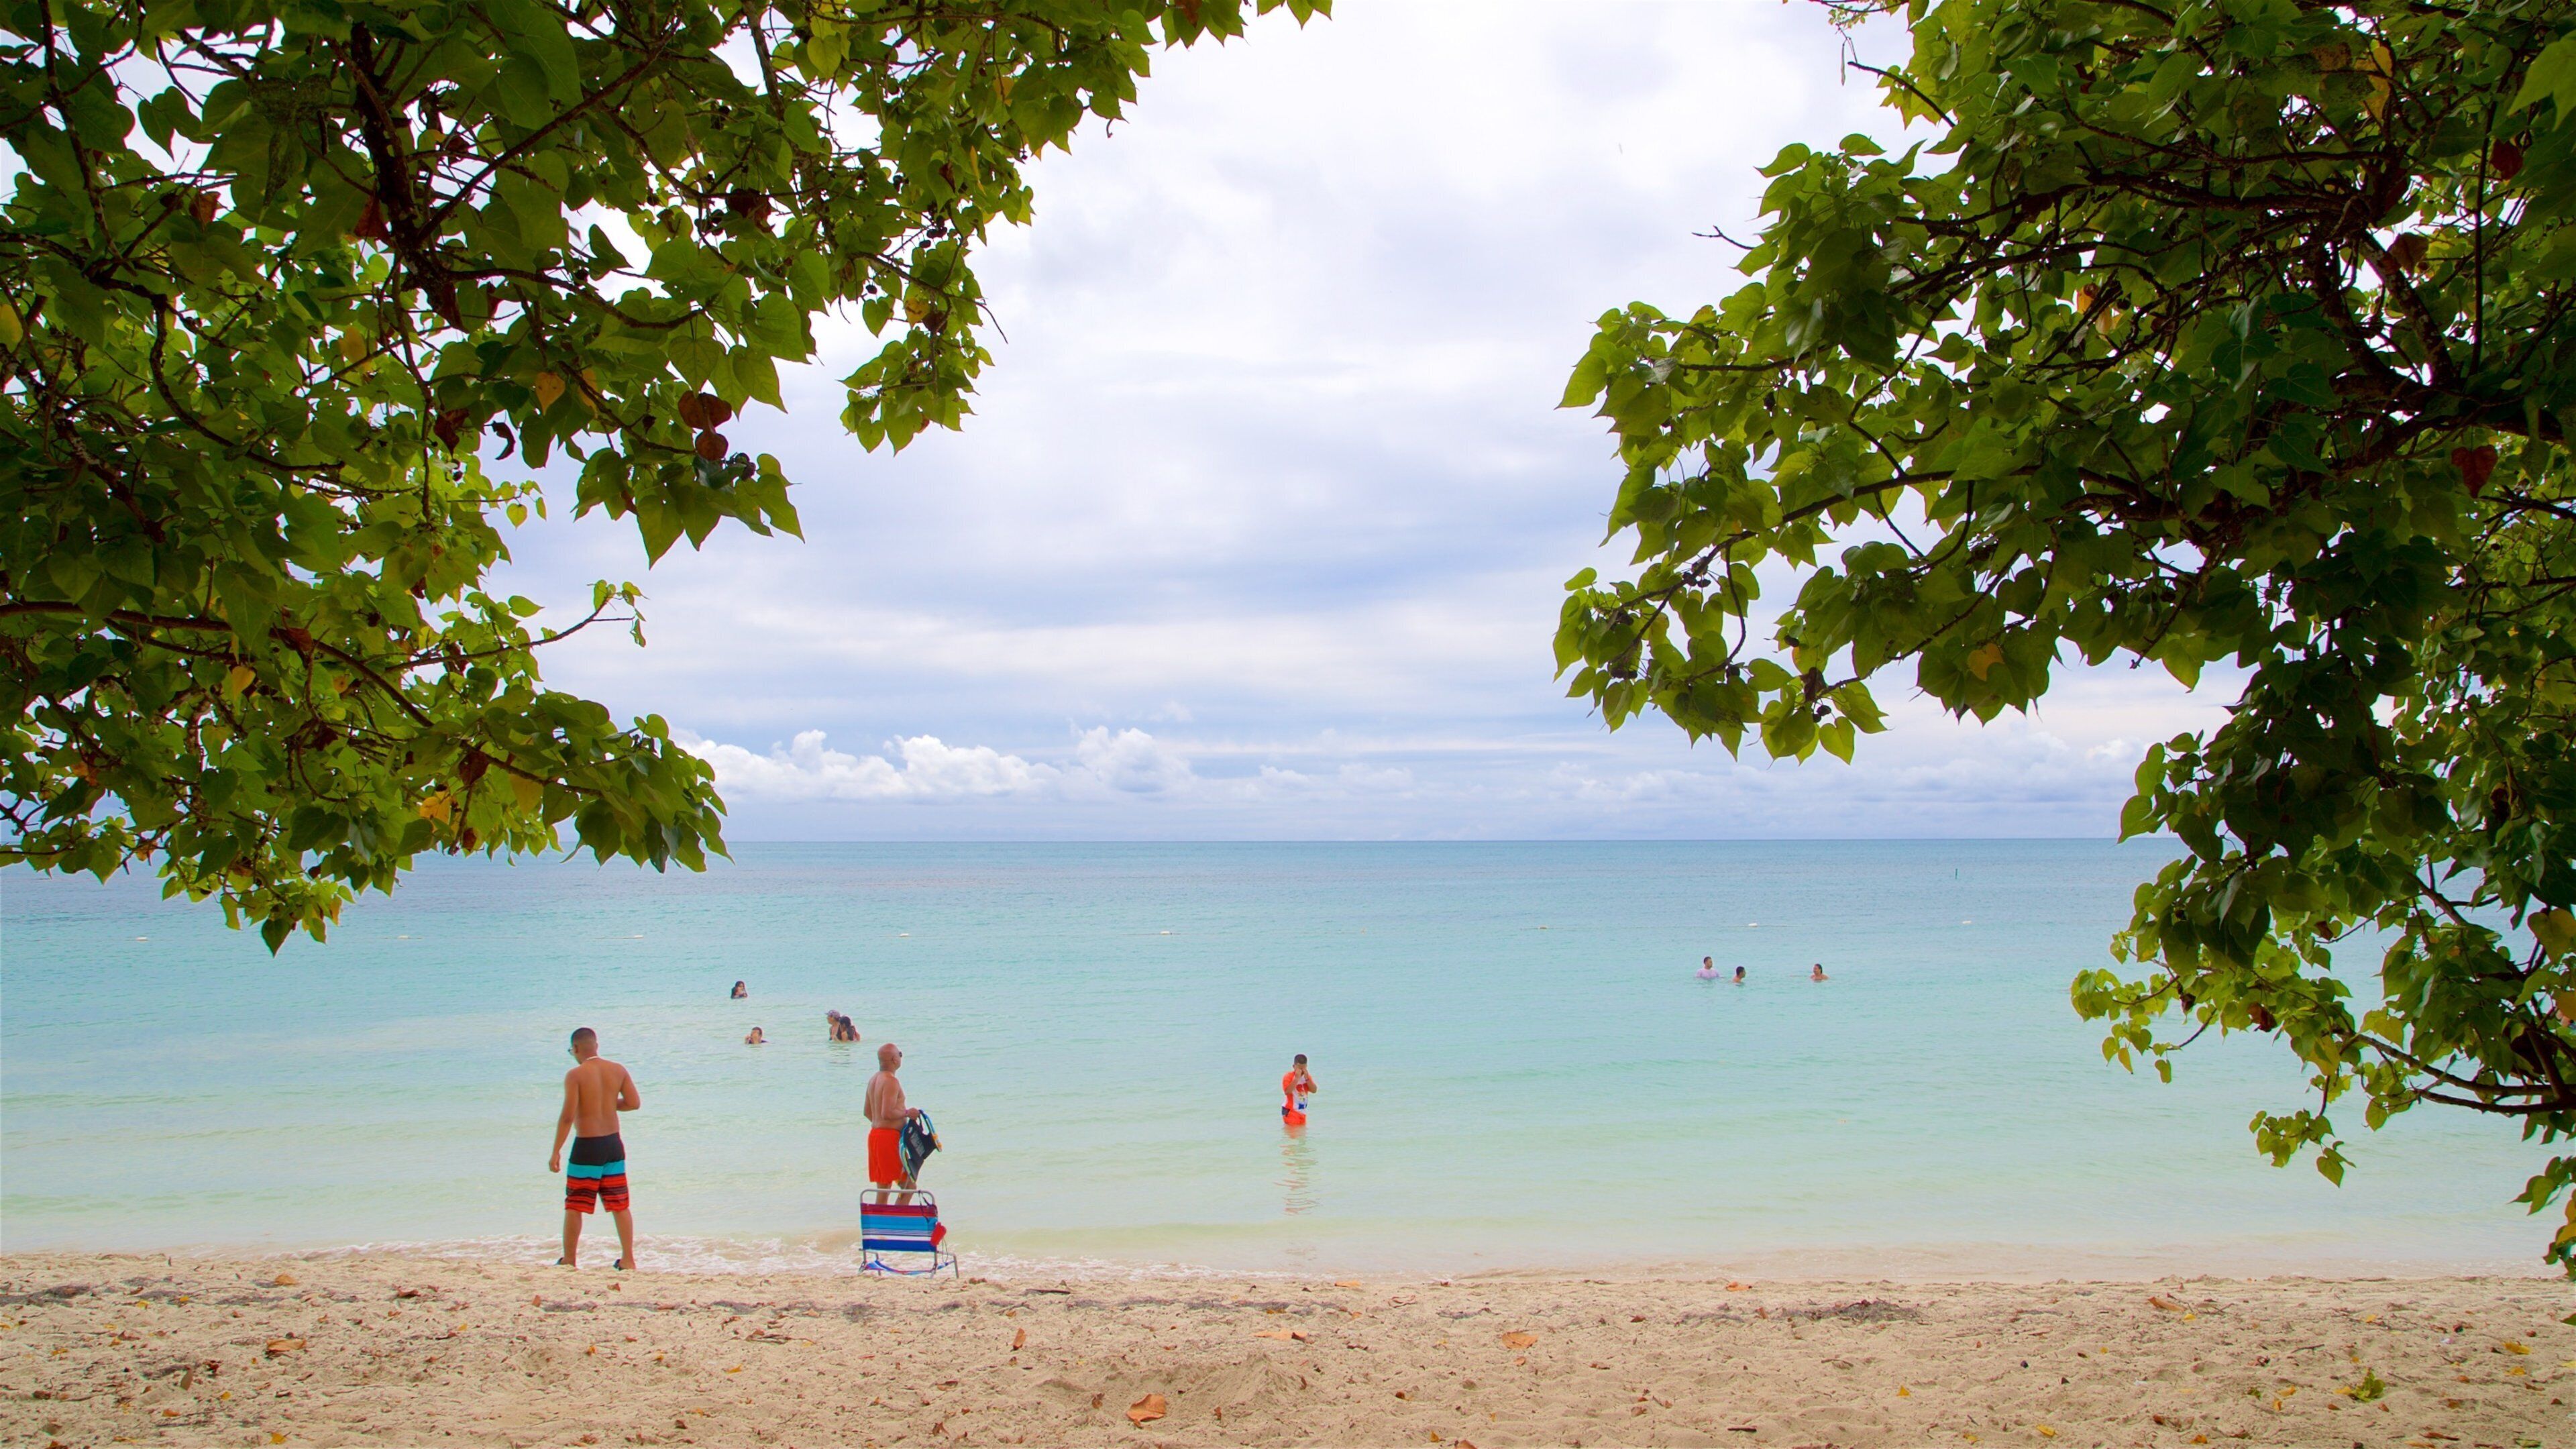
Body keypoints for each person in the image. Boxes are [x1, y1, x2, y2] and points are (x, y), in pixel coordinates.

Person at [549, 1026, 639, 1271]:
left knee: (575, 1205)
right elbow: (633, 1103)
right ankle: (628, 1259)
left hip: (587, 1146)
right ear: (596, 1046)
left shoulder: (575, 1075)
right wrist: (608, 1103)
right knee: (619, 1204)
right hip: (613, 1144)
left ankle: (570, 1259)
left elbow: (568, 1117)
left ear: (576, 1048)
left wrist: (556, 1150)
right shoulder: (618, 1070)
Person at [865, 1042, 922, 1196]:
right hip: (888, 1138)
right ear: (894, 1060)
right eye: (900, 1054)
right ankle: (898, 1219)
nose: (900, 1057)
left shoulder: (874, 1079)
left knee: (883, 1189)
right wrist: (907, 1113)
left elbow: (867, 1112)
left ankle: (880, 1220)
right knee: (908, 1186)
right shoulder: (891, 1081)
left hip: (875, 1135)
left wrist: (881, 1125)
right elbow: (887, 1113)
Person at [1281, 1053, 1318, 1127]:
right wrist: (1296, 1079)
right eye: (1299, 1069)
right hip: (1290, 1110)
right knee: (1293, 1134)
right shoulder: (1289, 1076)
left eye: (1303, 1069)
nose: (1301, 1071)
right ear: (1294, 1067)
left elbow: (1314, 1090)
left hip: (1302, 1111)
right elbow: (1287, 1092)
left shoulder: (1307, 1077)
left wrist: (1307, 1079)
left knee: (1302, 1135)